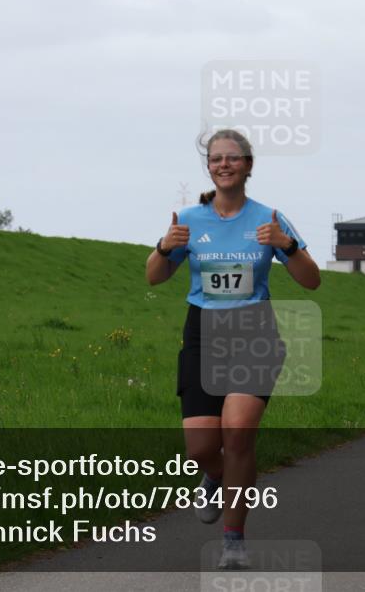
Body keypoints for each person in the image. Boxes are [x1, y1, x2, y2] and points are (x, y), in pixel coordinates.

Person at [146, 129, 320, 569]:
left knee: (238, 434)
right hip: (203, 332)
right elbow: (154, 276)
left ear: (248, 165)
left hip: (254, 331)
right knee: (202, 446)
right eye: (215, 158)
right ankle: (217, 476)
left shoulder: (271, 219)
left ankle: (233, 540)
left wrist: (289, 246)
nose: (223, 164)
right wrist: (165, 246)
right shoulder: (189, 218)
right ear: (209, 167)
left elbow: (311, 279)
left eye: (232, 158)